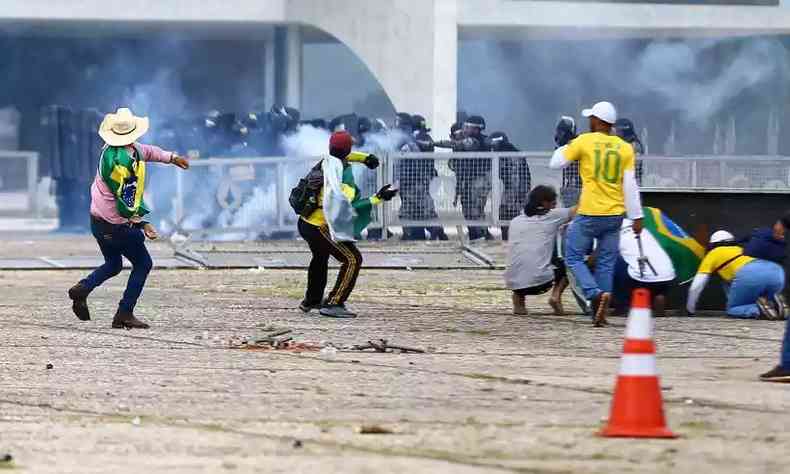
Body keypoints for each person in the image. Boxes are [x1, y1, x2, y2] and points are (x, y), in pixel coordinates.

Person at [67, 108, 190, 329]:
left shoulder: (120, 149)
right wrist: (143, 223)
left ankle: (83, 289)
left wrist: (171, 158)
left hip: (98, 221)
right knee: (143, 263)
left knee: (114, 264)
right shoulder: (120, 164)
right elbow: (126, 202)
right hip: (115, 224)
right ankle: (124, 313)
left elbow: (148, 151)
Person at [550, 101, 644, 327]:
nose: (588, 121)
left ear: (598, 121)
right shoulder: (625, 147)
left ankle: (593, 294)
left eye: (591, 117)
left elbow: (556, 163)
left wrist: (568, 144)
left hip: (590, 212)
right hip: (615, 214)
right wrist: (637, 216)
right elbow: (630, 185)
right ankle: (600, 308)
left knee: (572, 257)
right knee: (606, 263)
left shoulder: (584, 141)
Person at [298, 131, 398, 318]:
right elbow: (349, 206)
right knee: (352, 259)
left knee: (320, 257)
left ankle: (311, 300)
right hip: (320, 226)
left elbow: (342, 154)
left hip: (305, 223)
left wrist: (365, 158)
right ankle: (334, 303)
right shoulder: (343, 175)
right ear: (348, 150)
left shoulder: (326, 161)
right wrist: (378, 198)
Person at [505, 185, 575, 315]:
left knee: (525, 254)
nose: (555, 206)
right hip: (541, 283)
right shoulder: (551, 216)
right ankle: (556, 295)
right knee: (571, 263)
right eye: (554, 203)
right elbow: (579, 210)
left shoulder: (516, 221)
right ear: (545, 203)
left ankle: (519, 301)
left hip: (513, 282)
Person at [687, 230, 785, 320]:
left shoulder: (714, 253)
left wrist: (690, 309)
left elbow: (696, 286)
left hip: (750, 273)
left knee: (734, 309)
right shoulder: (742, 248)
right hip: (775, 271)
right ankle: (778, 306)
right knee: (728, 280)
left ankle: (758, 309)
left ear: (713, 245)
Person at [436, 115, 493, 241]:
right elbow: (454, 164)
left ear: (477, 129)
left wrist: (433, 143)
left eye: (468, 127)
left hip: (478, 182)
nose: (465, 129)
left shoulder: (476, 141)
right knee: (469, 212)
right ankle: (478, 237)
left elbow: (454, 146)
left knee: (475, 213)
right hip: (468, 182)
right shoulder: (468, 142)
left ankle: (481, 237)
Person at [612, 218, 676, 317]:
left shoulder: (611, 234)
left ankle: (623, 306)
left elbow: (595, 259)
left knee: (609, 262)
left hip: (640, 279)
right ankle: (659, 295)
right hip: (667, 276)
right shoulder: (645, 231)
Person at [491, 131, 530, 241]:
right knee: (506, 217)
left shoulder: (512, 155)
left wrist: (516, 197)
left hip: (515, 191)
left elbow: (515, 180)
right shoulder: (509, 153)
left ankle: (509, 242)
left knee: (508, 216)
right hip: (514, 190)